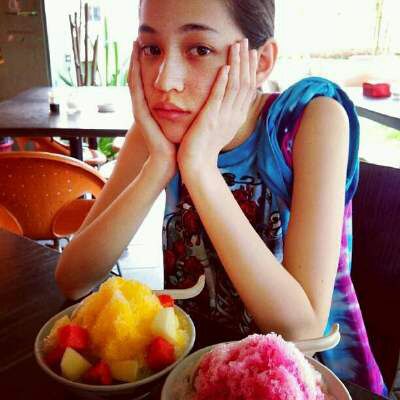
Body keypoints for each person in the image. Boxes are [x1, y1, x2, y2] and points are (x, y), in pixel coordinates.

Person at [55, 0, 386, 395]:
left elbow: (302, 331)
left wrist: (200, 167)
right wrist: (158, 165)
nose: (164, 81)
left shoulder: (311, 120)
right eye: (152, 49)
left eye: (200, 49)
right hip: (202, 376)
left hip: (317, 380)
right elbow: (73, 279)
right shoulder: (160, 128)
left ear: (261, 61)